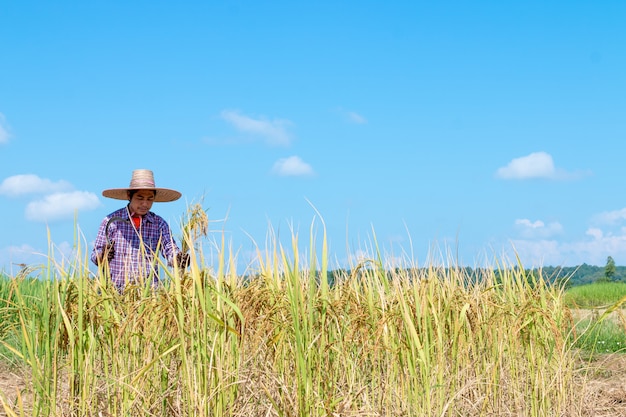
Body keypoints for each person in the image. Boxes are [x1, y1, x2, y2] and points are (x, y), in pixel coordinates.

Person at [90, 169, 189, 291]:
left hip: (148, 294)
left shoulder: (158, 224)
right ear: (129, 196)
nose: (145, 204)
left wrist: (178, 258)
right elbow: (95, 255)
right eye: (140, 198)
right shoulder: (111, 222)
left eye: (149, 199)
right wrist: (104, 254)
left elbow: (169, 249)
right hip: (115, 292)